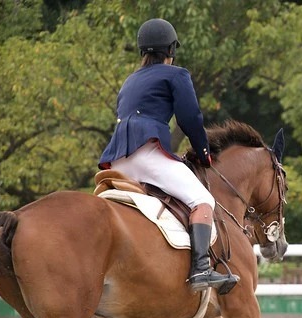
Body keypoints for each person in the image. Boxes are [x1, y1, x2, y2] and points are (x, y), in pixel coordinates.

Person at [98, 18, 233, 292]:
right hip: (146, 152)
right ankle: (201, 269)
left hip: (118, 160)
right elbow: (190, 118)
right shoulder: (176, 74)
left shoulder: (129, 80)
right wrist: (204, 153)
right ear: (171, 49)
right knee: (202, 200)